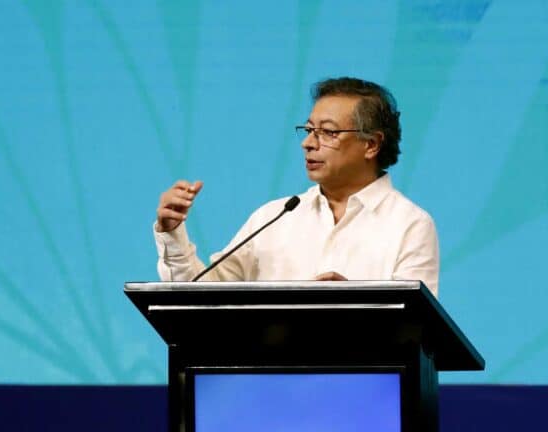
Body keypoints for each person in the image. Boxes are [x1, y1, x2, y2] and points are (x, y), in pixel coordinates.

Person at [153, 77, 440, 297]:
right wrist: (172, 233)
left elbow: (417, 333)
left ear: (372, 144)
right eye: (308, 130)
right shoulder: (274, 217)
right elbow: (199, 300)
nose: (308, 143)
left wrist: (355, 309)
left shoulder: (409, 225)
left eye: (328, 132)